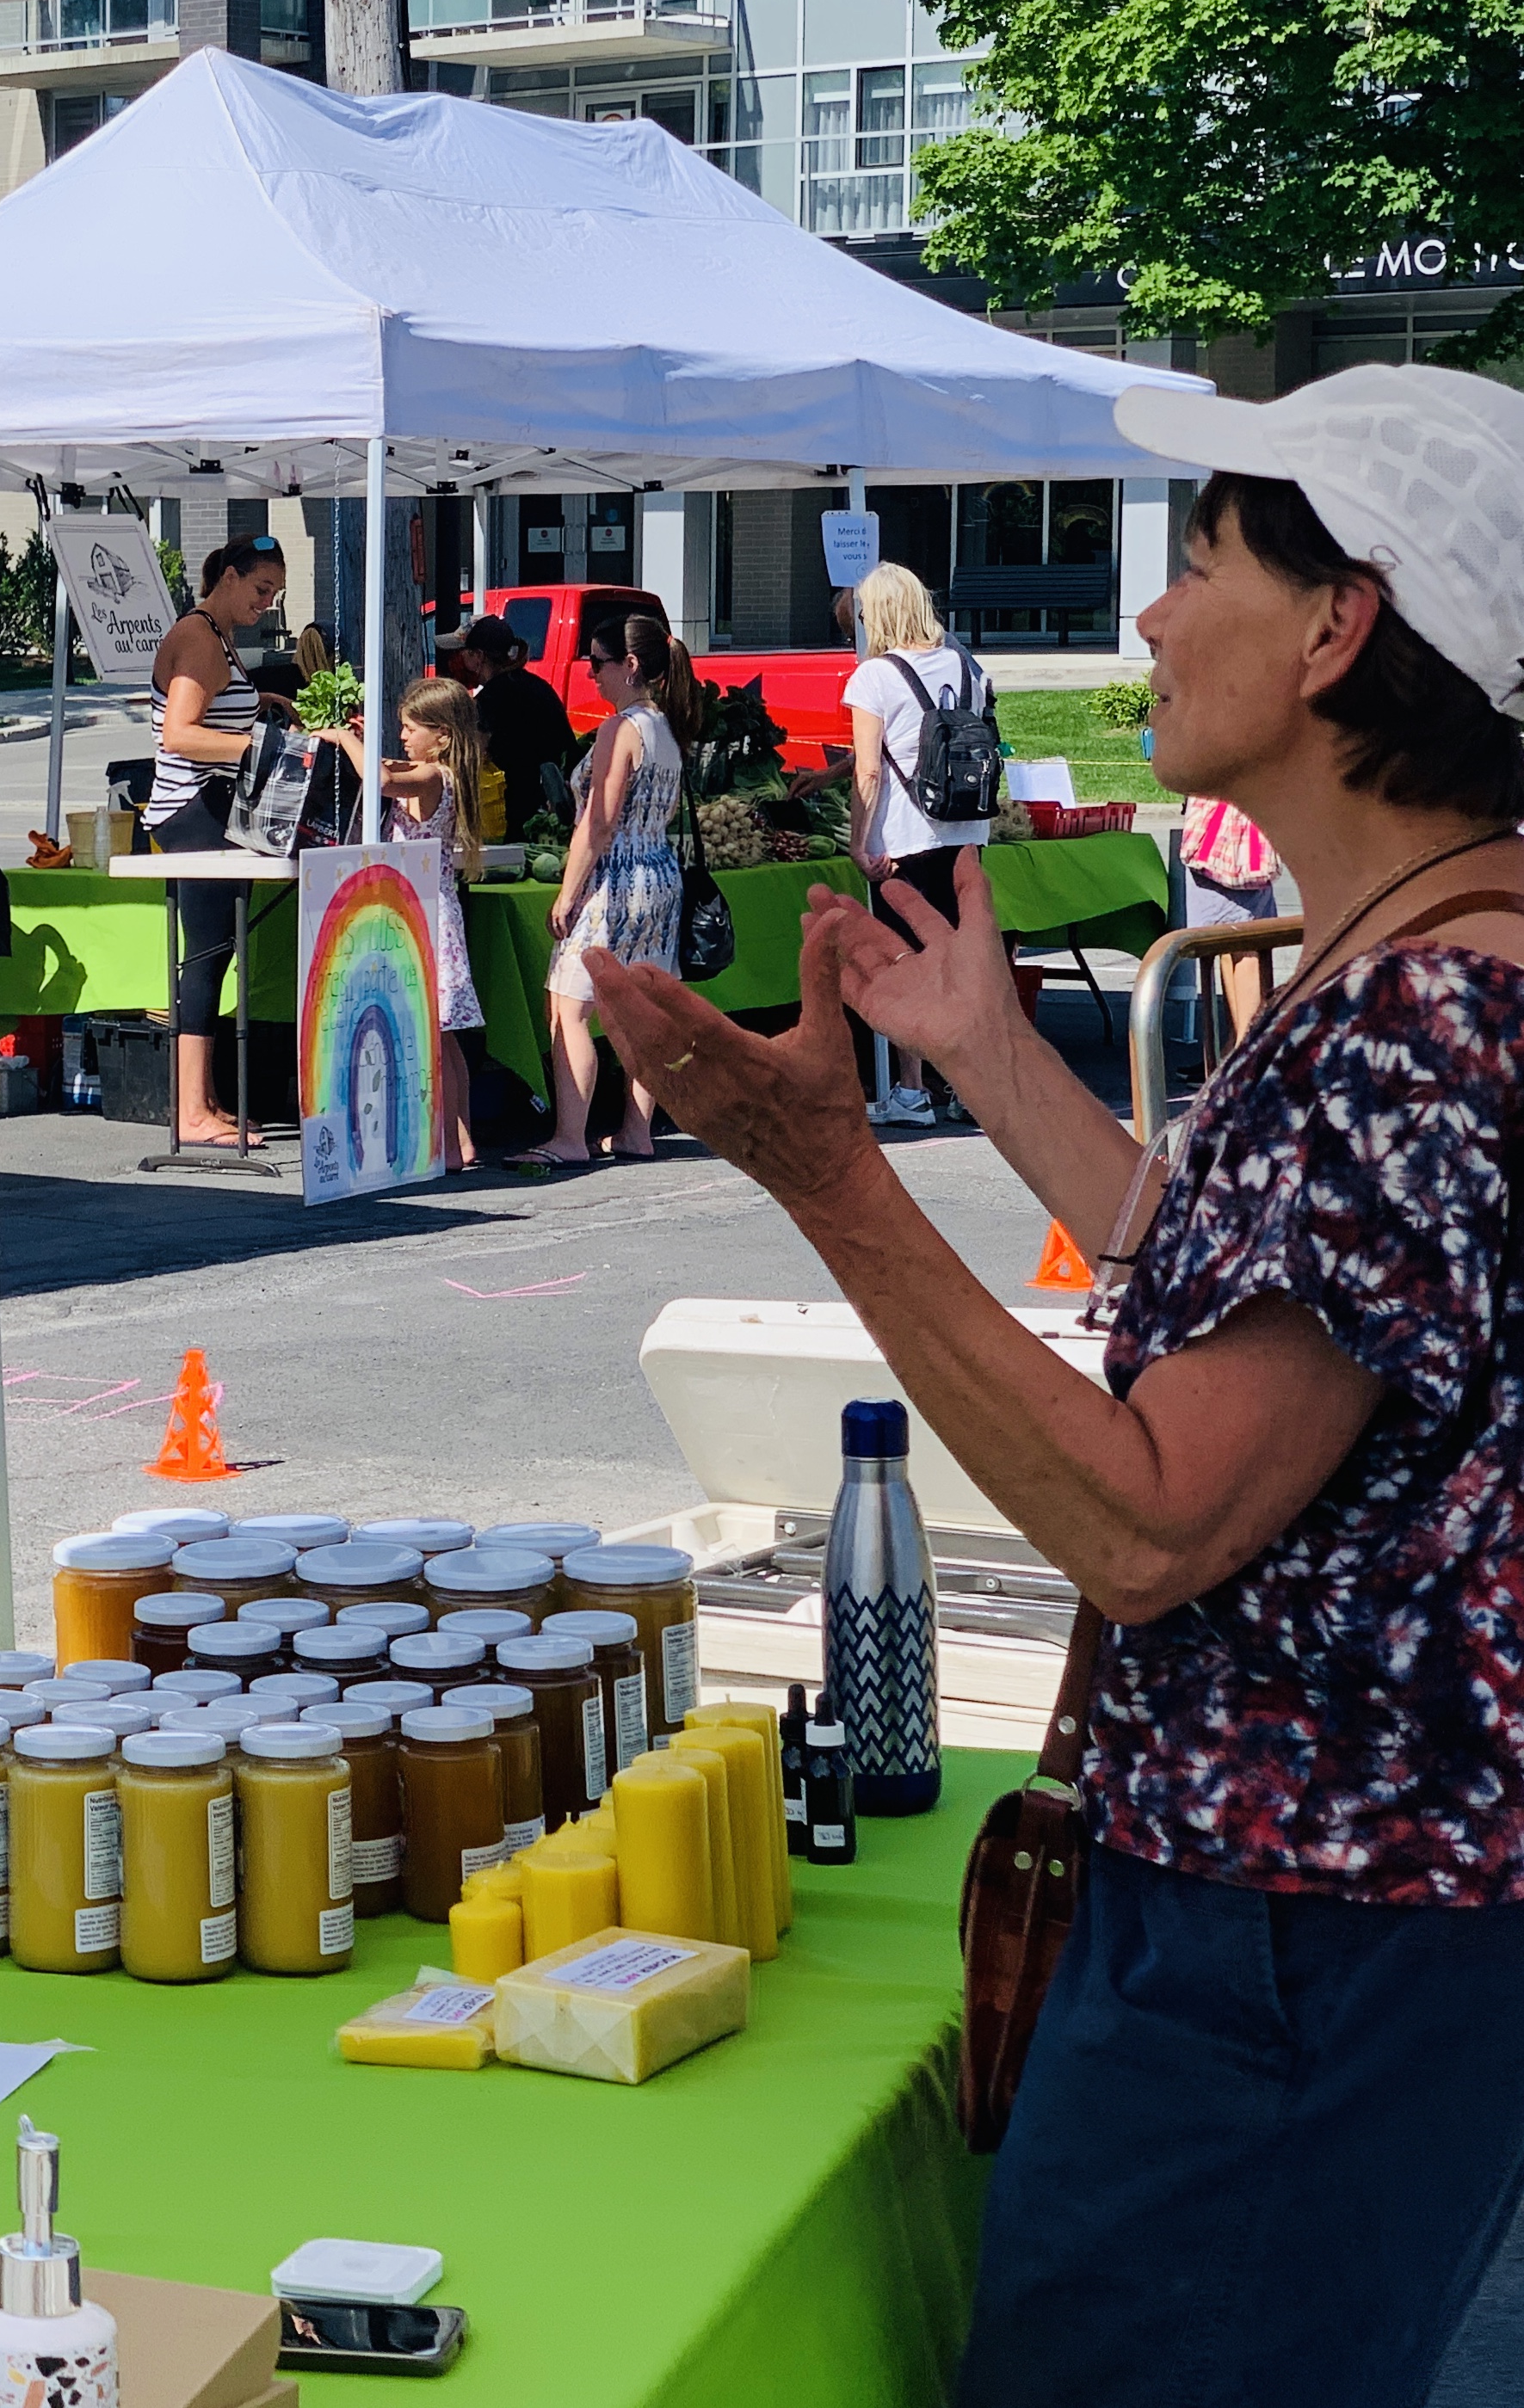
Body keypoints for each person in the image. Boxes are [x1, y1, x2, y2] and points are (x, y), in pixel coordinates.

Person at [577, 362, 1524, 2408]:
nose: (1154, 619)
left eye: (1198, 564)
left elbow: (1150, 1511)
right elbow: (1258, 1278)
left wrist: (827, 1173)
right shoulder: (1433, 951)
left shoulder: (1419, 1015)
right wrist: (995, 1053)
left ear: (1341, 623)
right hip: (1332, 1941)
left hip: (1293, 1951)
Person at [146, 538, 362, 1145]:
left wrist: (258, 707)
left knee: (215, 951)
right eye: (261, 589)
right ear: (230, 576)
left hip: (209, 806)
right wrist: (262, 746)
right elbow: (179, 735)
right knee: (207, 953)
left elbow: (210, 717)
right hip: (191, 810)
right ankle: (190, 1110)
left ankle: (204, 1098)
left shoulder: (216, 637)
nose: (266, 604)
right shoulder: (195, 637)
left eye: (275, 594)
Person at [514, 613, 701, 1168]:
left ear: (630, 665)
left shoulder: (618, 729)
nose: (590, 673)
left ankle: (569, 1137)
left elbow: (598, 821)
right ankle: (635, 1131)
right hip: (658, 874)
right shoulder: (667, 728)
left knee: (570, 1007)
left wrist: (567, 894)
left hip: (614, 878)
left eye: (597, 663)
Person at [841, 560, 996, 1128]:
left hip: (902, 840)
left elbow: (868, 771)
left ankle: (910, 1090)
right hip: (965, 833)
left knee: (906, 962)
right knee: (957, 963)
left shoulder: (873, 677)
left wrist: (857, 841)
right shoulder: (966, 665)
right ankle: (964, 1082)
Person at [390, 675, 492, 1168]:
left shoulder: (433, 778)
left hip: (424, 914)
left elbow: (386, 780)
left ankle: (449, 1146)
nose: (404, 737)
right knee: (445, 1038)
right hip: (432, 909)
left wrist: (343, 738)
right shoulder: (443, 775)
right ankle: (462, 1139)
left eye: (411, 729)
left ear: (442, 736)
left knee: (434, 1035)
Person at [441, 612, 574, 841]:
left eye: (462, 653)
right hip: (554, 808)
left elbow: (471, 756)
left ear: (477, 657)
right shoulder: (539, 686)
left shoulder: (491, 698)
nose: (457, 660)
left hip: (515, 811)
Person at [1179, 791, 1281, 1041]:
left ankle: (1244, 1046)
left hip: (1226, 836)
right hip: (1231, 835)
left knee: (1244, 947)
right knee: (1235, 945)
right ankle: (1238, 1043)